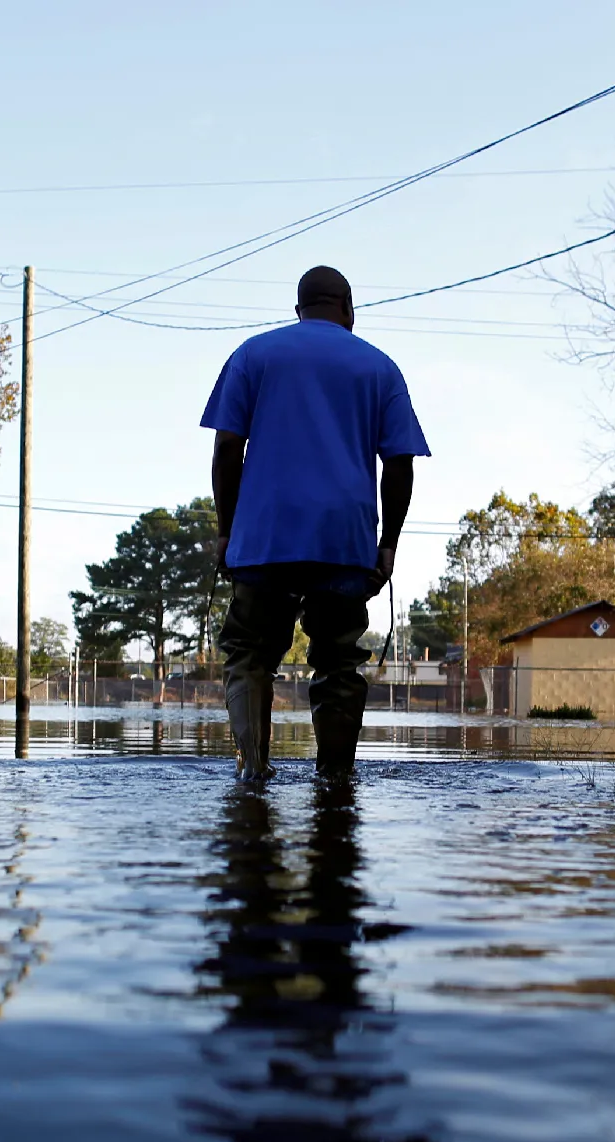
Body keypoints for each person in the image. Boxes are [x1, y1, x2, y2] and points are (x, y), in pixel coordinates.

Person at [200, 265, 429, 781]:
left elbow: (226, 450)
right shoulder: (379, 368)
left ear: (298, 308)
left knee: (250, 652)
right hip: (343, 541)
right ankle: (335, 779)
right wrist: (387, 543)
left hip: (263, 538)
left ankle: (254, 771)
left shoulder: (253, 355)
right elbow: (400, 463)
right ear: (349, 311)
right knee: (338, 660)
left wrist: (226, 530)